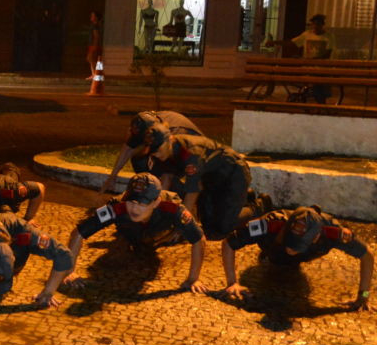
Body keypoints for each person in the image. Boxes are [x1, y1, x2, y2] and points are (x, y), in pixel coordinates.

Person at [63, 173, 207, 293]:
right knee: (127, 242)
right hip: (129, 231)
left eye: (142, 204)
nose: (134, 209)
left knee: (165, 240)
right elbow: (78, 232)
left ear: (156, 202)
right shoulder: (117, 207)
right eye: (131, 202)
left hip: (161, 232)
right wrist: (69, 272)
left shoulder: (173, 208)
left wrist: (193, 279)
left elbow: (199, 239)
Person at [220, 206, 372, 311]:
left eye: (298, 245)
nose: (291, 249)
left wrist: (363, 296)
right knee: (275, 260)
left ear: (316, 237)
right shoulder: (271, 224)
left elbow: (367, 255)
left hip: (306, 255)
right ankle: (257, 205)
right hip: (271, 249)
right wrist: (232, 283)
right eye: (291, 241)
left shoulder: (332, 233)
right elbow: (228, 243)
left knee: (290, 265)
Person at [140, 126, 266, 241]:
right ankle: (243, 199)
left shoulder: (189, 153)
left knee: (223, 227)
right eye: (153, 151)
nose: (156, 153)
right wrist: (154, 209)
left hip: (234, 175)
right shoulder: (166, 152)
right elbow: (166, 179)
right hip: (211, 180)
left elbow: (192, 192)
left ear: (169, 140)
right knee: (208, 226)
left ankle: (258, 206)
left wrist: (180, 228)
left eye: (158, 148)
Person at [100, 110, 204, 193]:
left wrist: (154, 205)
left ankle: (176, 196)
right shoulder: (145, 123)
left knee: (167, 177)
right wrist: (112, 177)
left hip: (194, 153)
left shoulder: (171, 138)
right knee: (139, 159)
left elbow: (166, 175)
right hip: (169, 145)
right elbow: (128, 149)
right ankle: (151, 189)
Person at [288, 13, 335, 104]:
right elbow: (293, 42)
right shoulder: (307, 34)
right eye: (314, 24)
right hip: (308, 68)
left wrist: (313, 59)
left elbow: (327, 54)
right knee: (311, 88)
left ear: (322, 25)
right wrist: (275, 43)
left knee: (319, 91)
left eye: (318, 24)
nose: (315, 26)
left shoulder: (329, 36)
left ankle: (320, 107)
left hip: (322, 69)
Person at [86, 11, 103, 80]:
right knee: (91, 59)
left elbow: (96, 36)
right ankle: (95, 74)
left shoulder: (95, 26)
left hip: (94, 45)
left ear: (96, 17)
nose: (91, 17)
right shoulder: (95, 25)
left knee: (92, 58)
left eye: (93, 16)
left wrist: (95, 45)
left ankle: (97, 74)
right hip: (93, 44)